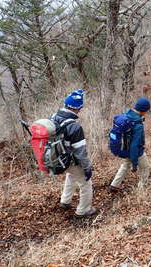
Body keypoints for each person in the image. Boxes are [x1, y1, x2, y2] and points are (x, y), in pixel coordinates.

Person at [55, 89, 97, 217]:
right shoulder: (75, 127)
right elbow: (81, 153)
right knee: (86, 183)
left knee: (71, 175)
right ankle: (83, 210)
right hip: (69, 160)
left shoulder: (53, 117)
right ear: (77, 108)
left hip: (57, 159)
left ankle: (65, 201)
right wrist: (87, 168)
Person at [109, 97, 151, 192]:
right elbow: (135, 145)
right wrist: (135, 163)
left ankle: (114, 185)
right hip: (136, 151)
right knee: (145, 168)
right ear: (143, 110)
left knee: (125, 165)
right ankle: (142, 189)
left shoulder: (127, 114)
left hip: (125, 149)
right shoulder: (138, 125)